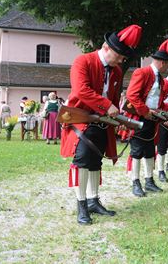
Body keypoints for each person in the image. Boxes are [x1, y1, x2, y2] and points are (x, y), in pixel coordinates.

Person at [60, 24, 142, 225]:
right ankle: (82, 205)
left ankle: (93, 201)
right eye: (120, 56)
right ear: (106, 47)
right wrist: (107, 106)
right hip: (81, 119)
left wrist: (119, 117)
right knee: (82, 162)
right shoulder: (83, 61)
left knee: (96, 162)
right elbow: (81, 91)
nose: (122, 60)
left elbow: (114, 99)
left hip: (103, 122)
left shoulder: (115, 71)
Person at [125, 39, 168, 197]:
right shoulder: (142, 72)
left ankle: (149, 180)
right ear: (162, 62)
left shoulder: (160, 79)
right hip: (139, 118)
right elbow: (132, 95)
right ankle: (135, 181)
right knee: (137, 151)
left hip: (152, 118)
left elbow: (158, 102)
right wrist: (145, 112)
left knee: (149, 151)